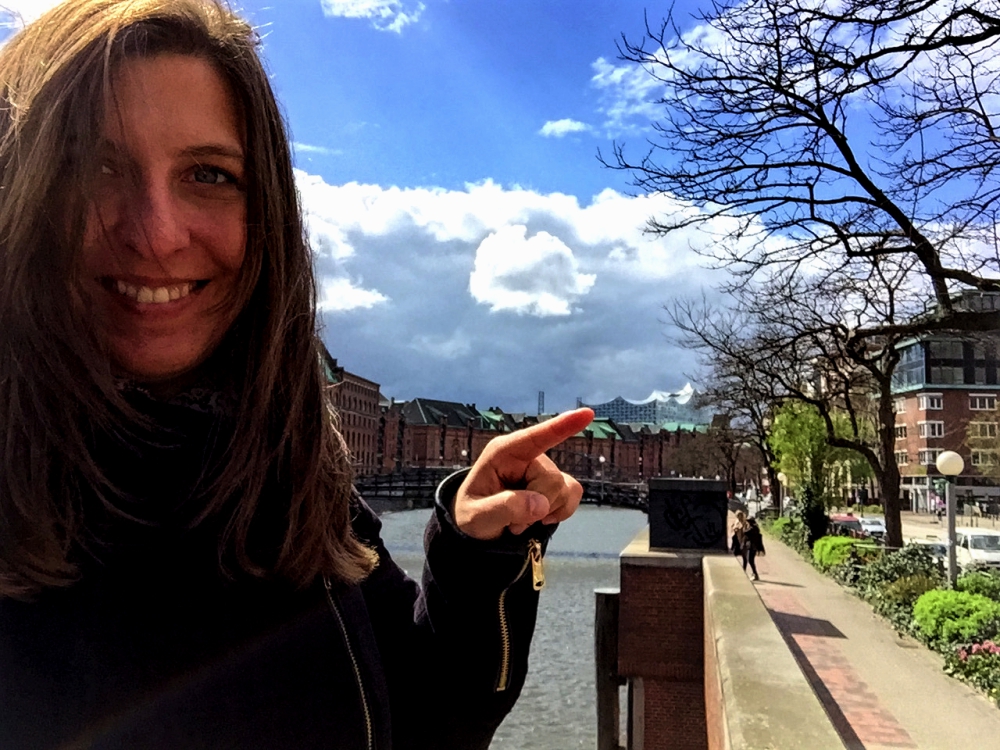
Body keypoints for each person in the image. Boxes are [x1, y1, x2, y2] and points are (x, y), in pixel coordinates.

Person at [0, 2, 594, 748]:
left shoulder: (284, 475)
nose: (154, 231)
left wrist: (476, 558)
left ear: (268, 216)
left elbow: (427, 722)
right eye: (92, 166)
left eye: (209, 174)